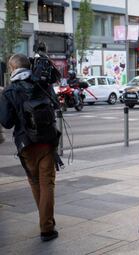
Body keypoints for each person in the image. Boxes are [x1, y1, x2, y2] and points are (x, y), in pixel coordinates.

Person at [0, 54, 60, 241]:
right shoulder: (43, 83)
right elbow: (56, 105)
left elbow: (7, 122)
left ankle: (46, 221)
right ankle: (47, 226)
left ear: (12, 68)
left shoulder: (9, 91)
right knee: (47, 183)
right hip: (47, 142)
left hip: (26, 145)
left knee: (35, 183)